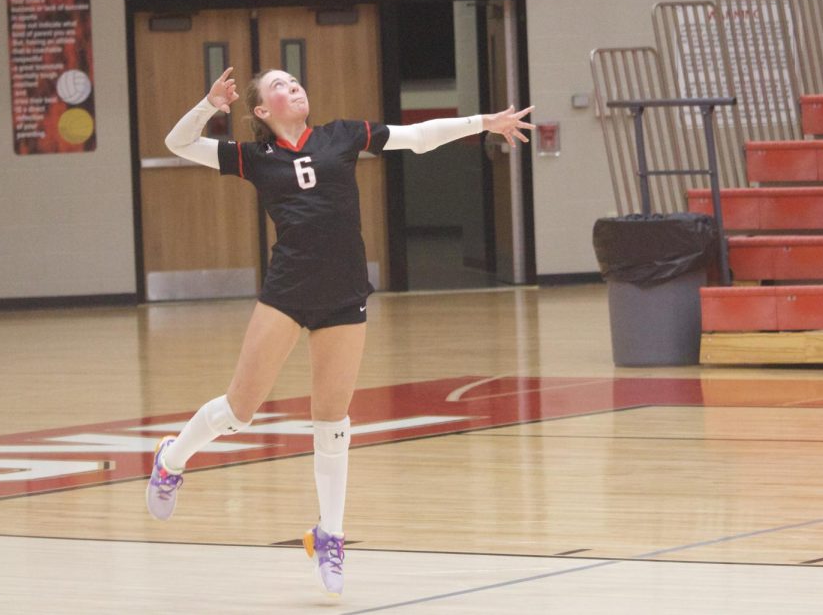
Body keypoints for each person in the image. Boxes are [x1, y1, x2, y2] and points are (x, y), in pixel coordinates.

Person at [146, 66, 534, 597]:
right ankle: (171, 460)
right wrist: (209, 104)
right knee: (239, 411)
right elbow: (177, 142)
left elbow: (418, 139)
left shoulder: (341, 136)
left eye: (295, 80)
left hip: (345, 289)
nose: (294, 86)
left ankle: (330, 533)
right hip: (287, 291)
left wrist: (483, 121)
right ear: (262, 111)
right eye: (279, 86)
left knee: (332, 422)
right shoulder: (253, 157)